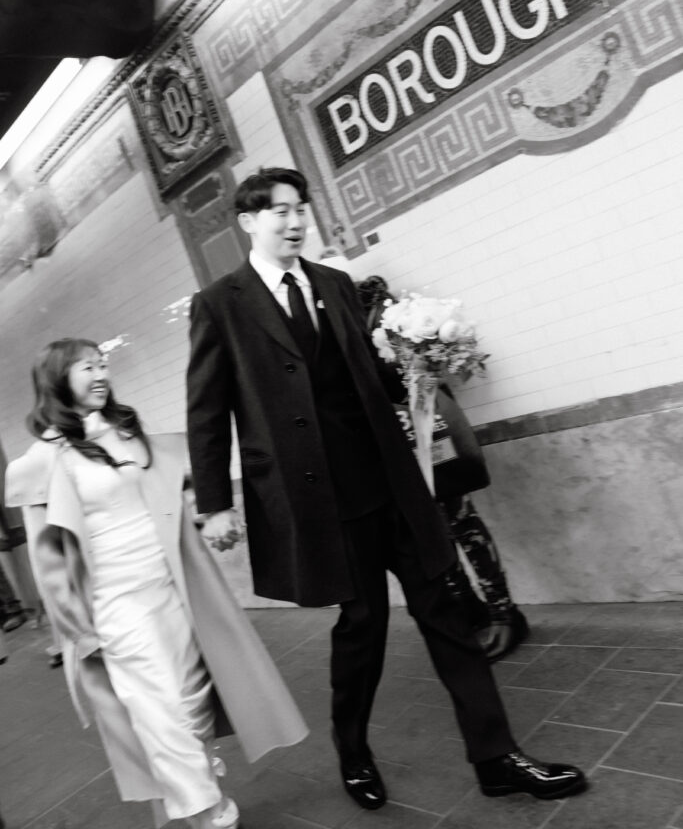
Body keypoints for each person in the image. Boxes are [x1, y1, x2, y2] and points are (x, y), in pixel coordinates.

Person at [186, 167, 587, 812]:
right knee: (363, 629)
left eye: (301, 210)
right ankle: (354, 751)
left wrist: (421, 363)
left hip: (390, 484)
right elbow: (206, 410)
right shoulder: (220, 304)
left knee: (447, 614)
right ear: (248, 222)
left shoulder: (335, 286)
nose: (295, 223)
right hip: (322, 502)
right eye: (281, 212)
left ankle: (496, 757)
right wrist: (213, 503)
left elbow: (372, 375)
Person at [6, 339, 307, 829]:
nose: (102, 373)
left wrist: (207, 515)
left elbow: (167, 497)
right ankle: (212, 815)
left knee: (190, 697)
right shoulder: (43, 460)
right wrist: (77, 630)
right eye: (88, 367)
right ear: (59, 378)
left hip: (171, 587)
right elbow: (48, 559)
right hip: (116, 604)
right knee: (159, 709)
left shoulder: (126, 432)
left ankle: (193, 787)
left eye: (104, 364)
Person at [356, 274, 529, 662]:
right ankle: (470, 610)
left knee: (461, 521)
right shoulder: (342, 331)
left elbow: (415, 377)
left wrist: (421, 366)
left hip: (429, 432)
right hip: (390, 448)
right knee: (430, 532)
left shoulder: (385, 319)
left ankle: (505, 614)